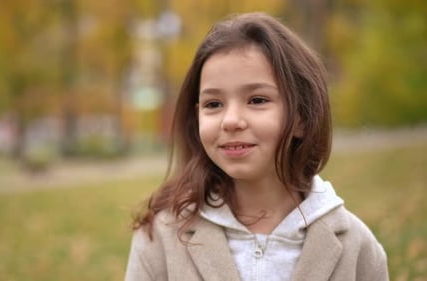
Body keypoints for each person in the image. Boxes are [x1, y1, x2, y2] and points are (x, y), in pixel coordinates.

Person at [125, 12, 389, 281]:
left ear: (302, 117)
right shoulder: (160, 237)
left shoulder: (357, 248)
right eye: (213, 104)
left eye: (257, 100)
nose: (231, 121)